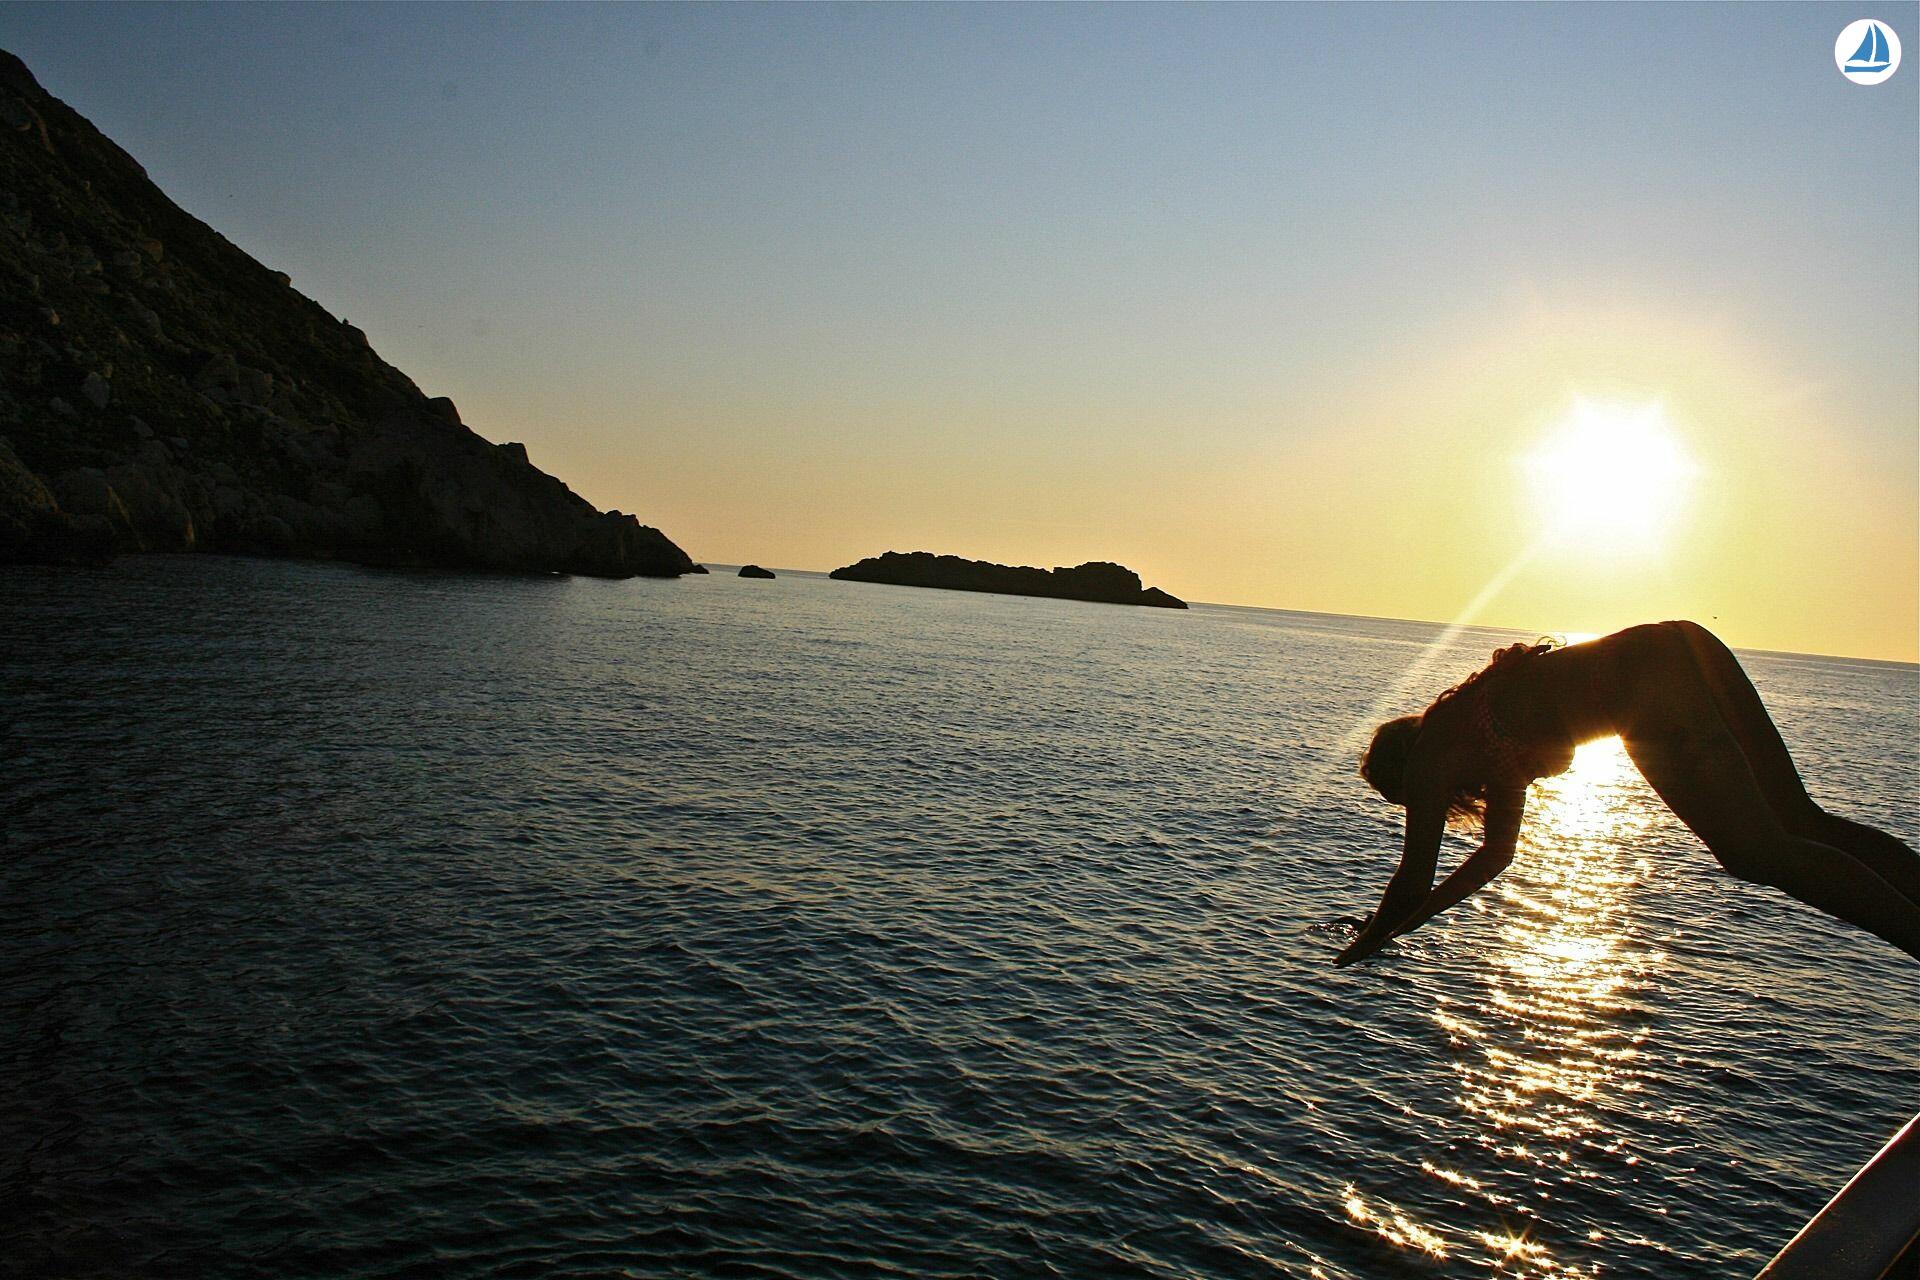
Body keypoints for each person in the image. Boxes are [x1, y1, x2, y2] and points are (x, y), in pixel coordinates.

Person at [1337, 620, 1920, 965]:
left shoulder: (1433, 753)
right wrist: (1397, 926)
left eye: (1413, 798)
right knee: (1798, 820)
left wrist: (1369, 940)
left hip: (1644, 686)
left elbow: (1416, 872)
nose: (1428, 803)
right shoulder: (1479, 735)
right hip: (1681, 646)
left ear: (1405, 774)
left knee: (1755, 850)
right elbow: (1495, 855)